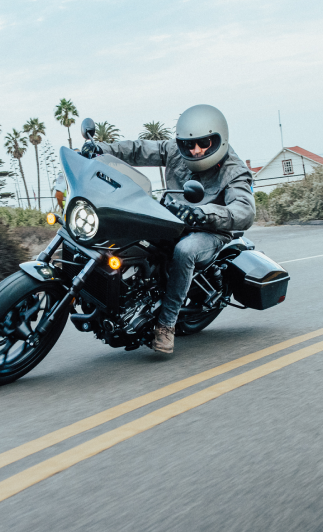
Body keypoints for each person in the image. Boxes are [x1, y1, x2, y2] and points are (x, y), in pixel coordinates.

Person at [87, 104, 254, 355]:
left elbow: (244, 211)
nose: (196, 150)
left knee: (185, 251)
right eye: (190, 144)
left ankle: (166, 325)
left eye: (204, 143)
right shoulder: (177, 152)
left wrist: (204, 213)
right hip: (173, 218)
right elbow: (139, 149)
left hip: (212, 230)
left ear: (219, 139)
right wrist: (102, 149)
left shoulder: (235, 171)